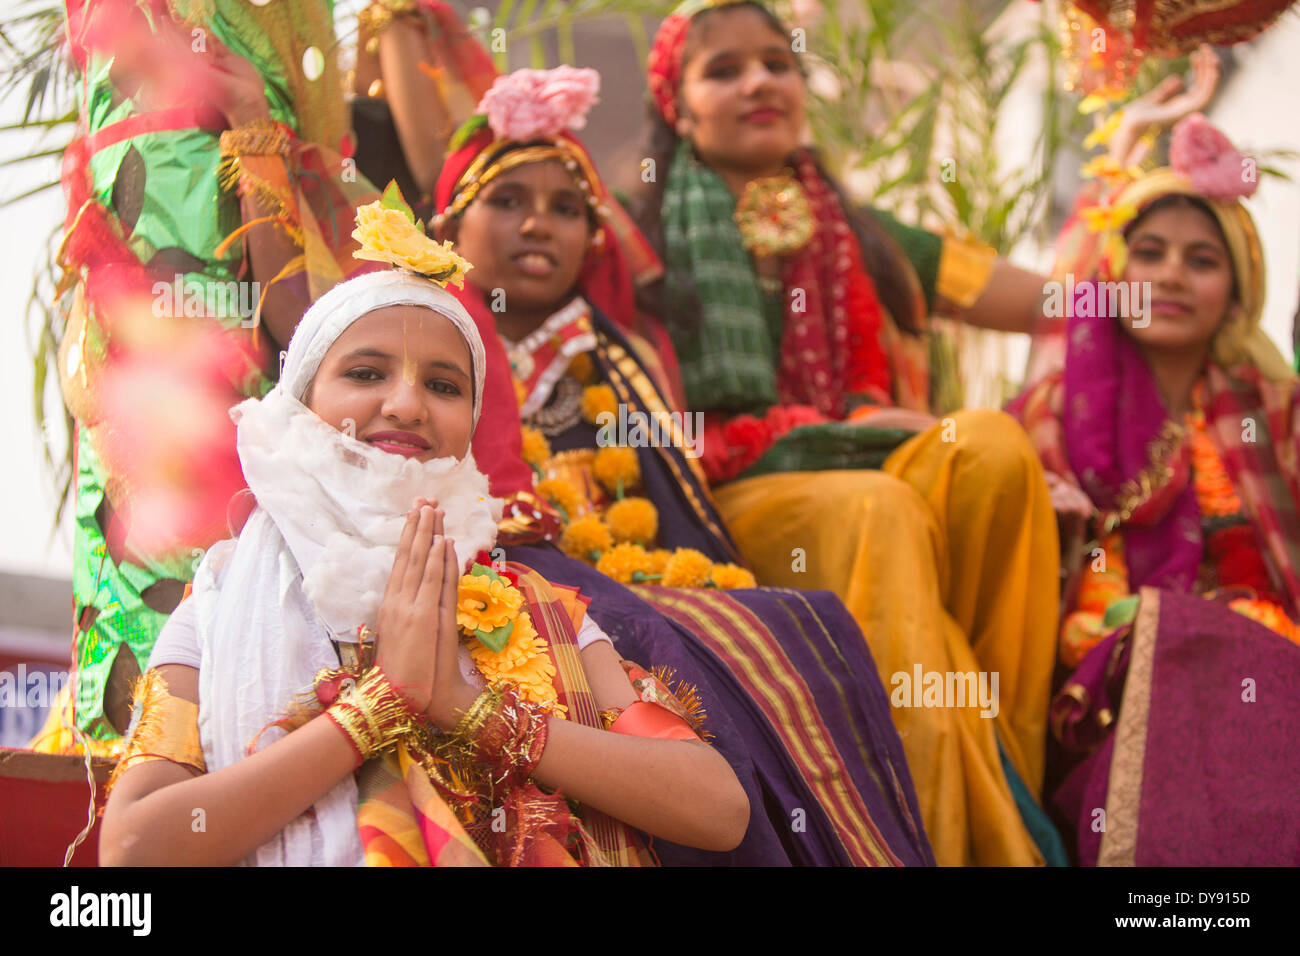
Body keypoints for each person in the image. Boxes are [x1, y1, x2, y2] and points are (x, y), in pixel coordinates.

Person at [98, 223, 751, 866]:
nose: (407, 405)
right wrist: (382, 704)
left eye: (442, 385)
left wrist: (467, 707)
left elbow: (717, 810)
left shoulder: (525, 604)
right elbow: (136, 846)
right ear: (301, 400)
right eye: (365, 373)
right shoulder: (221, 598)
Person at [430, 65, 935, 867]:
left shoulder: (623, 354)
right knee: (667, 637)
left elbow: (685, 480)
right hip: (506, 581)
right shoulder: (426, 340)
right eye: (508, 201)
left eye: (568, 210)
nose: (539, 226)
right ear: (450, 223)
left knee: (797, 625)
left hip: (641, 569)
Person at [636, 0, 1064, 866]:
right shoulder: (634, 233)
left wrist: (1135, 274)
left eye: (776, 63)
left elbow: (1046, 302)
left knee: (988, 446)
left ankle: (1001, 760)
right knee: (882, 510)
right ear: (678, 108)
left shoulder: (864, 233)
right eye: (724, 70)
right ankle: (920, 837)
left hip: (871, 466)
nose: (760, 80)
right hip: (716, 499)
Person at [37, 0, 375, 752]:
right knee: (121, 704)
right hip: (128, 408)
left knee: (221, 681)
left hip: (234, 423)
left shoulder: (272, 36)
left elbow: (294, 316)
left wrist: (252, 123)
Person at [1008, 114, 1300, 865]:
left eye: (1201, 259)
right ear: (1112, 275)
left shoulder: (1274, 410)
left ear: (1238, 287)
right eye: (1149, 253)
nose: (1171, 275)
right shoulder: (1049, 416)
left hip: (1273, 680)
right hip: (1104, 700)